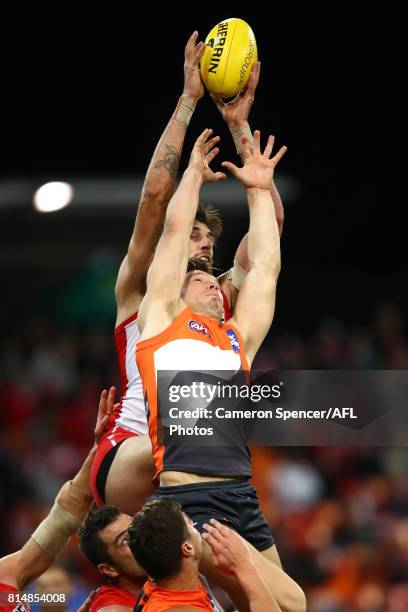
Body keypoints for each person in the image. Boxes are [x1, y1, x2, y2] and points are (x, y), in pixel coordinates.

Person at [90, 35, 285, 517]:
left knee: (266, 592)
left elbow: (270, 230)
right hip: (131, 449)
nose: (203, 245)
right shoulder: (142, 289)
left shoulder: (216, 296)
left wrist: (239, 128)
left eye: (208, 239)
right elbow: (157, 194)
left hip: (190, 464)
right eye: (192, 234)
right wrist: (188, 101)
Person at [135, 129, 305, 612]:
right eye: (203, 280)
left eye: (216, 282)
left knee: (287, 604)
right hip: (192, 501)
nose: (214, 286)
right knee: (279, 600)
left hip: (241, 495)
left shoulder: (237, 338)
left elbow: (267, 268)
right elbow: (172, 236)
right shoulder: (162, 322)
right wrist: (191, 176)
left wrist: (257, 188)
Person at [0, 388, 114, 612]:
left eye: (58, 586)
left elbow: (64, 517)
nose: (51, 591)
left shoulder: (4, 583)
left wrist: (99, 449)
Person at [128, 499, 281, 611]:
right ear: (187, 548)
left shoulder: (171, 584)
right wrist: (244, 565)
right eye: (192, 525)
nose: (197, 529)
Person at [78, 506, 146, 612]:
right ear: (109, 569)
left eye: (138, 528)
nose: (142, 539)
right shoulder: (113, 609)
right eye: (125, 540)